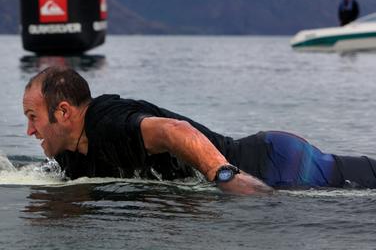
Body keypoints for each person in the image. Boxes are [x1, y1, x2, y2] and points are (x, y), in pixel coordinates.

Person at [23, 66, 376, 195]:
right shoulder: (72, 155)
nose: (29, 130)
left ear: (63, 112)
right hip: (270, 162)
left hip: (275, 163)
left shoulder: (108, 121)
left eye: (33, 116)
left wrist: (224, 176)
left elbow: (175, 130)